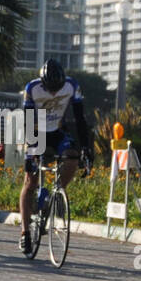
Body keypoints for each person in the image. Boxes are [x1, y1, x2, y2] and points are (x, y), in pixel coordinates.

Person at [18, 59, 91, 253]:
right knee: (30, 182)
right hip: (36, 132)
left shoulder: (71, 85)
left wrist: (86, 148)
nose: (53, 93)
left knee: (73, 155)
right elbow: (27, 120)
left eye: (56, 89)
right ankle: (25, 233)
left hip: (57, 131)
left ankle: (58, 192)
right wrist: (31, 154)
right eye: (49, 89)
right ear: (43, 83)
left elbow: (80, 118)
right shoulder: (32, 88)